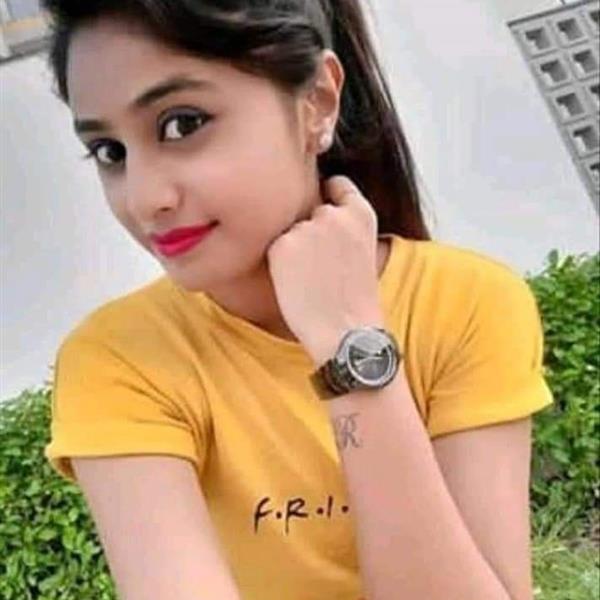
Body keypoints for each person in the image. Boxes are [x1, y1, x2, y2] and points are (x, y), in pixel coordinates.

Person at [41, 1, 554, 599]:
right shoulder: (121, 360)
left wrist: (347, 342)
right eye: (110, 152)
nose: (144, 197)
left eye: (182, 124)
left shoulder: (465, 304)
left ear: (317, 103)